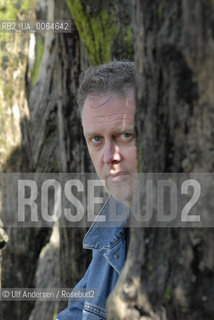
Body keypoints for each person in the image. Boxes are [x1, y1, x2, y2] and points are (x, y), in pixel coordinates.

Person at [57, 61, 137, 320]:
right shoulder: (114, 221)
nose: (108, 157)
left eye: (125, 135)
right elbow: (75, 314)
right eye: (96, 140)